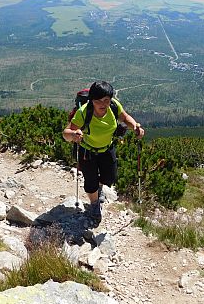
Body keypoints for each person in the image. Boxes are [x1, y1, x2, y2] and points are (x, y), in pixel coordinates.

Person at [62, 81, 145, 220]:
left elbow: (125, 117)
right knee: (90, 180)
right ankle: (94, 204)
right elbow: (66, 133)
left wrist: (135, 127)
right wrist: (73, 135)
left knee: (109, 178)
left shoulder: (114, 106)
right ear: (91, 100)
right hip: (88, 151)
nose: (103, 104)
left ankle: (98, 189)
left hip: (107, 148)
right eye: (98, 101)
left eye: (106, 100)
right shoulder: (83, 113)